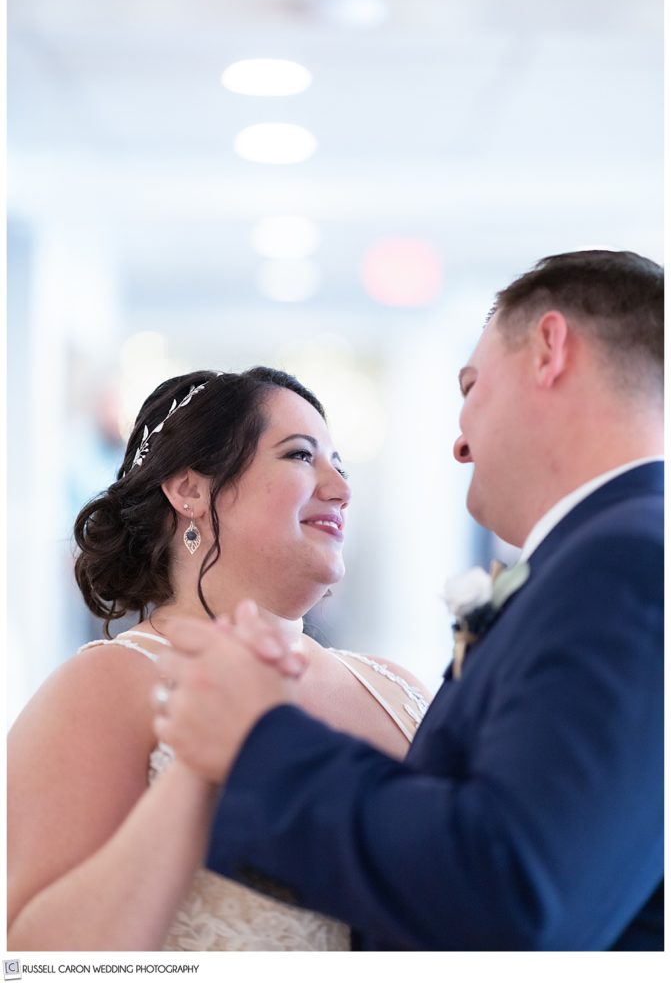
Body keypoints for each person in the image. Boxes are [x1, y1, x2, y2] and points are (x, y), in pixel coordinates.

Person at [153, 249, 664, 951]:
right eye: (302, 455)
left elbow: (514, 894)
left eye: (471, 386)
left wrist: (259, 741)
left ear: (549, 350)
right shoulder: (612, 556)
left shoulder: (626, 564)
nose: (459, 442)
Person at [7, 366, 432, 951]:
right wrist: (203, 770)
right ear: (189, 491)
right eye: (301, 456)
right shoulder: (106, 686)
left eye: (341, 464)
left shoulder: (399, 691)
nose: (341, 487)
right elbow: (46, 961)